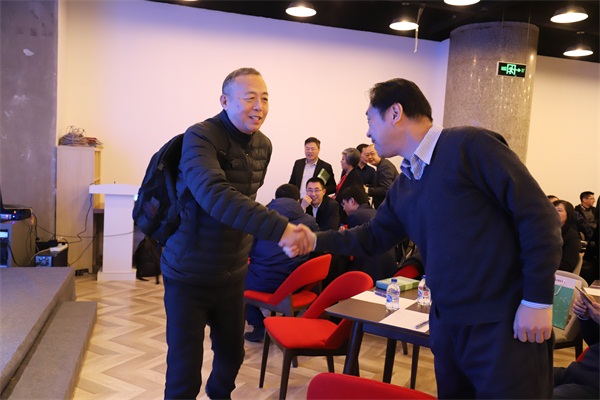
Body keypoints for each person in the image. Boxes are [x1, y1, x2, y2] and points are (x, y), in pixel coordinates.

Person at [286, 78, 562, 398]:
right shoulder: (405, 184)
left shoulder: (470, 146)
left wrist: (536, 300)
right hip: (448, 327)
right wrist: (315, 240)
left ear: (395, 112)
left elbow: (538, 216)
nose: (367, 133)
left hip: (502, 325)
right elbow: (372, 237)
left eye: (370, 120)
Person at [160, 67, 310, 399]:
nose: (259, 106)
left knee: (232, 355)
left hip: (232, 272)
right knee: (184, 370)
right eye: (250, 98)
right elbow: (215, 195)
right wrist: (280, 229)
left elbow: (246, 200)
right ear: (225, 101)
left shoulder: (264, 145)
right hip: (188, 272)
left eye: (265, 99)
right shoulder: (200, 137)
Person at [244, 184, 319, 342]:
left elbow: (250, 250)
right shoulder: (309, 221)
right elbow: (315, 251)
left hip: (263, 280)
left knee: (237, 282)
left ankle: (259, 325)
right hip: (296, 283)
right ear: (298, 200)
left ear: (275, 199)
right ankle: (282, 322)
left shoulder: (261, 219)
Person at [339, 185, 397, 281]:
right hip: (388, 265)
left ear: (352, 201)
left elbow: (354, 247)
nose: (343, 208)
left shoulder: (355, 216)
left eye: (344, 204)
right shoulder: (374, 212)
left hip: (371, 268)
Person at [553, 288, 599, 399]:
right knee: (523, 376)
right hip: (578, 371)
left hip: (594, 386)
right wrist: (587, 317)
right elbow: (594, 340)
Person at [364, 144, 399, 208]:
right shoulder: (380, 166)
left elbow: (386, 189)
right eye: (367, 155)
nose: (370, 157)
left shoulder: (385, 166)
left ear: (379, 152)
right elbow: (379, 185)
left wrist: (367, 190)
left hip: (389, 207)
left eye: (372, 154)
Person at [336, 147, 364, 224]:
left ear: (350, 161)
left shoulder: (355, 177)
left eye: (343, 159)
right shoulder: (345, 173)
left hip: (346, 213)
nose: (341, 161)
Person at [553, 199, 582, 272]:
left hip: (557, 274)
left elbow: (566, 266)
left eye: (559, 210)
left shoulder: (572, 237)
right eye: (552, 210)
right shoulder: (546, 232)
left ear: (568, 214)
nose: (554, 213)